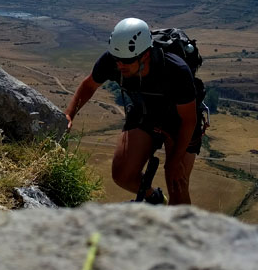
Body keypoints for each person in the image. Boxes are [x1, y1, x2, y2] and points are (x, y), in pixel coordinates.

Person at [65, 17, 200, 205]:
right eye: (117, 60)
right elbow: (89, 85)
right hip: (144, 112)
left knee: (176, 183)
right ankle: (154, 200)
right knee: (122, 175)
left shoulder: (175, 70)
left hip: (178, 121)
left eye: (126, 61)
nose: (120, 65)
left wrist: (175, 162)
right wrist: (69, 114)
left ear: (145, 55)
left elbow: (189, 120)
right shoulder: (113, 59)